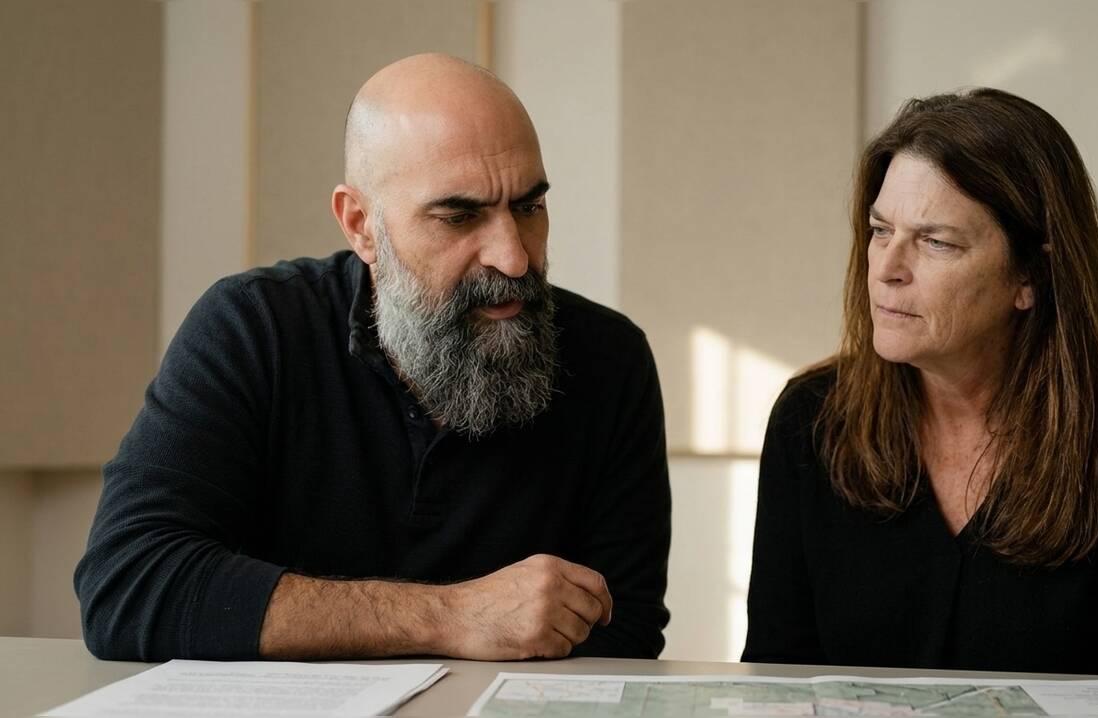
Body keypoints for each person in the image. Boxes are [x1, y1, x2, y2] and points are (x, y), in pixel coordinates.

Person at [75, 54, 671, 662]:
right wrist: (451, 617)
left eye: (528, 206)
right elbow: (128, 585)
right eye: (459, 216)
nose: (513, 257)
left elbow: (623, 636)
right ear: (360, 224)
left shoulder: (610, 360)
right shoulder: (255, 328)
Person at [742, 89, 1098, 677]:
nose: (887, 270)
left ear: (1031, 275)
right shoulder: (811, 418)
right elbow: (777, 677)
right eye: (881, 230)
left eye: (935, 242)